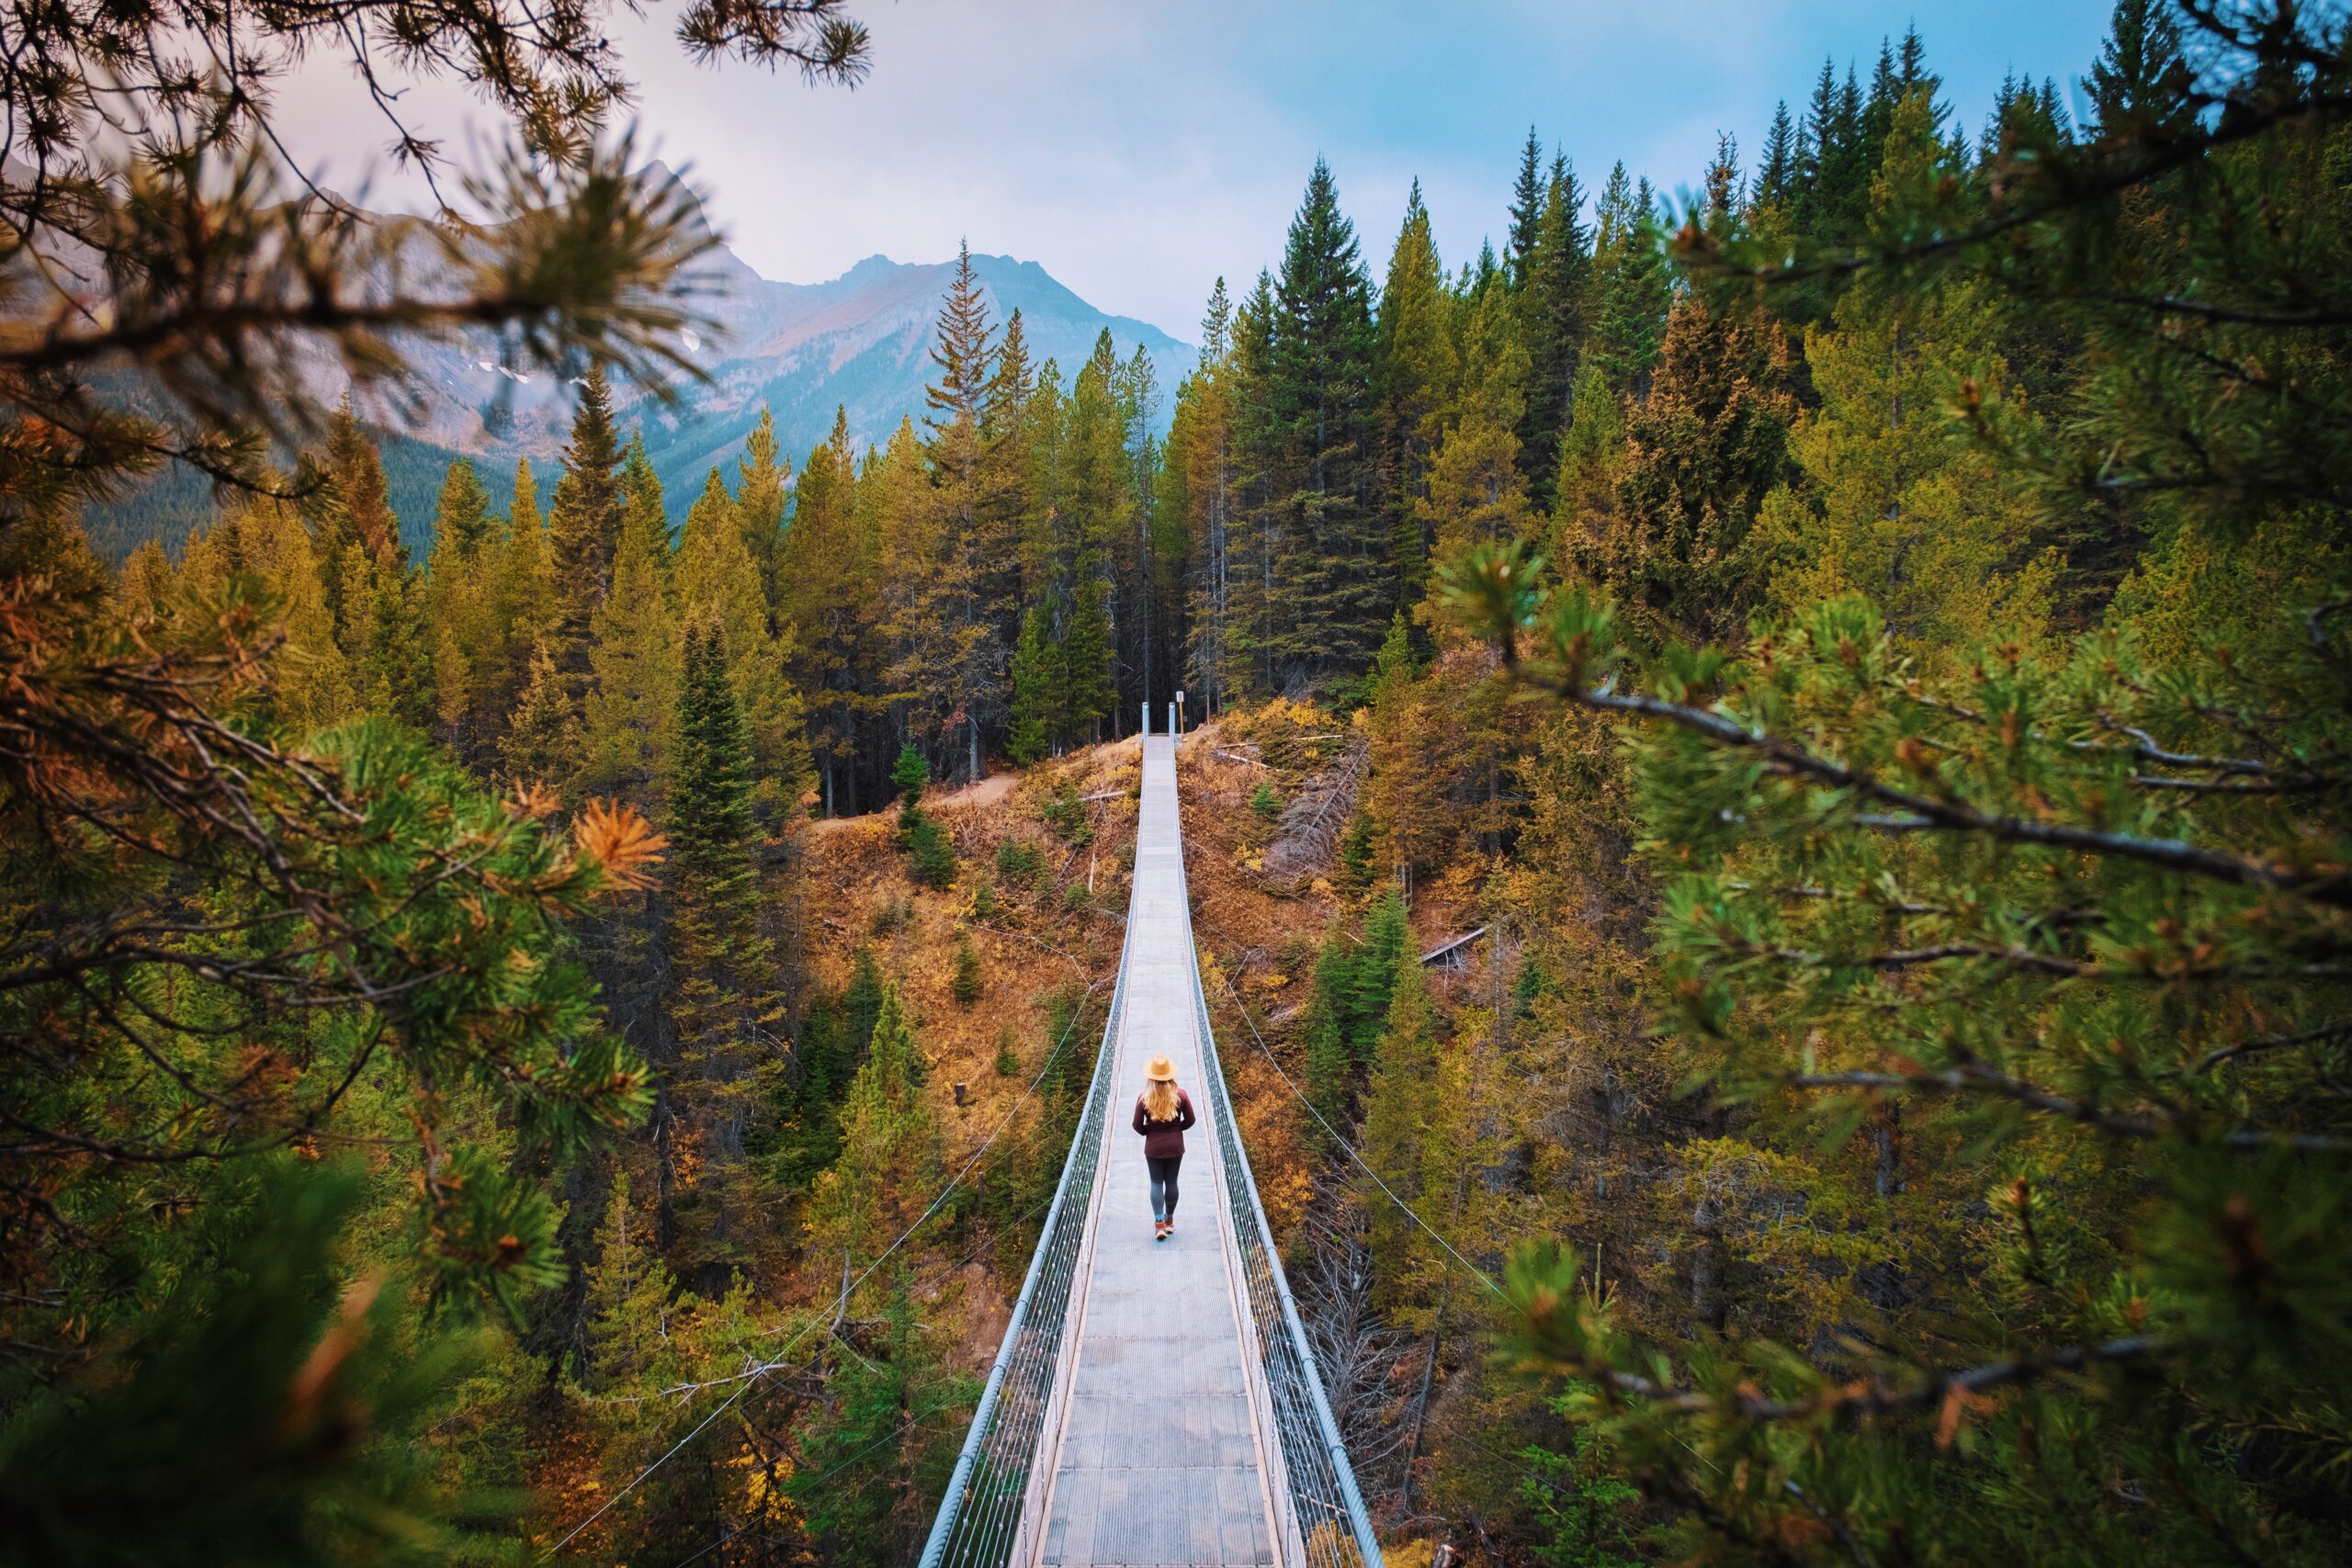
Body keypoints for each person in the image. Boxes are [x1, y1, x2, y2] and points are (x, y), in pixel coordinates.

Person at [1132, 1055, 1195, 1241]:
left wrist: (1149, 1132)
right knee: (1172, 1182)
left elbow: (1137, 1125)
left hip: (1153, 1148)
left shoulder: (1143, 1098)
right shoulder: (1181, 1095)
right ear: (1171, 1075)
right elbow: (1191, 1120)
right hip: (1176, 1146)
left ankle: (1159, 1225)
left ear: (1151, 1077)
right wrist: (1176, 1130)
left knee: (1156, 1183)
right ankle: (1170, 1222)